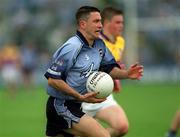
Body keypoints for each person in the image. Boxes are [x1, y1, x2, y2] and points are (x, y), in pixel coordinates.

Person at [44, 6, 143, 137]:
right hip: (61, 106)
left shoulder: (99, 45)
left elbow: (109, 68)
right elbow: (53, 80)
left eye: (101, 21)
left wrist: (126, 74)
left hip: (75, 105)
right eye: (96, 21)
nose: (100, 25)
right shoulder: (72, 47)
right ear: (83, 24)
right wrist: (78, 96)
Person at [82, 7, 130, 137]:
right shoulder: (95, 42)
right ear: (107, 23)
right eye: (118, 22)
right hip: (84, 96)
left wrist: (117, 76)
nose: (121, 26)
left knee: (122, 127)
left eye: (122, 22)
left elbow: (112, 65)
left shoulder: (120, 41)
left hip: (104, 94)